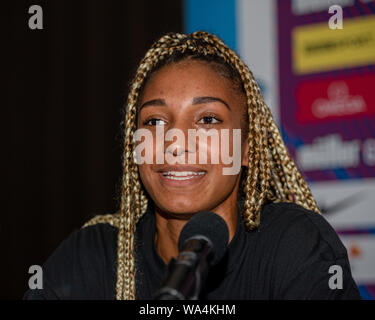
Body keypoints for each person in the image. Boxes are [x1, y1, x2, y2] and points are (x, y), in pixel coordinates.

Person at [24, 31, 361, 300]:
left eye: (208, 119)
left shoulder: (293, 245)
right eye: (155, 122)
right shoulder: (92, 255)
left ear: (246, 149)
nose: (175, 140)